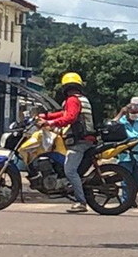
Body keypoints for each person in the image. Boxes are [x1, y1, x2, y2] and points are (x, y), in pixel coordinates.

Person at [37, 72, 96, 213]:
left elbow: (69, 117)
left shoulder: (72, 100)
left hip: (80, 141)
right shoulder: (81, 99)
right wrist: (46, 115)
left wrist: (49, 122)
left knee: (69, 170)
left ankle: (81, 202)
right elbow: (63, 114)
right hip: (85, 138)